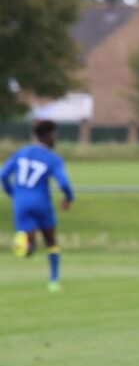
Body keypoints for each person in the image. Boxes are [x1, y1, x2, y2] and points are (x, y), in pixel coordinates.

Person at [1, 120, 74, 292]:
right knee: (51, 241)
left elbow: (3, 175)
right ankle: (54, 282)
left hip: (20, 203)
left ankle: (24, 245)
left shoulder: (21, 153)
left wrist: (13, 193)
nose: (55, 138)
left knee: (29, 249)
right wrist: (68, 197)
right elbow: (63, 182)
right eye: (54, 135)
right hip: (41, 202)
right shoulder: (52, 158)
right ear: (48, 136)